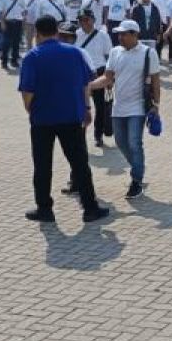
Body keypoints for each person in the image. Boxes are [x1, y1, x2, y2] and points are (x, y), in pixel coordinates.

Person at [18, 15, 110, 223]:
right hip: (71, 116)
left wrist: (30, 109)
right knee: (79, 163)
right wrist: (86, 108)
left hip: (42, 119)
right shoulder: (75, 53)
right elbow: (86, 83)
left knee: (42, 165)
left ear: (37, 33)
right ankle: (90, 208)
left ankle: (44, 209)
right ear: (57, 32)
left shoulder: (32, 56)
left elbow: (27, 91)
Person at [88, 20, 161, 199]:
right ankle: (138, 167)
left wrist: (156, 106)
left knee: (135, 142)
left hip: (138, 107)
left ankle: (136, 180)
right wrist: (88, 85)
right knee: (121, 142)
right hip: (118, 106)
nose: (120, 37)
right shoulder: (115, 52)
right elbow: (107, 78)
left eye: (124, 34)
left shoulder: (148, 53)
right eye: (119, 34)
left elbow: (156, 80)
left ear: (135, 35)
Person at [75, 10, 113, 148]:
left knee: (100, 106)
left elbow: (109, 57)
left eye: (86, 19)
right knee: (80, 106)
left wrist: (110, 79)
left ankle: (98, 135)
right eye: (81, 20)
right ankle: (81, 136)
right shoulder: (76, 34)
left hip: (98, 72)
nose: (84, 23)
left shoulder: (103, 35)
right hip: (80, 73)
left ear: (93, 20)